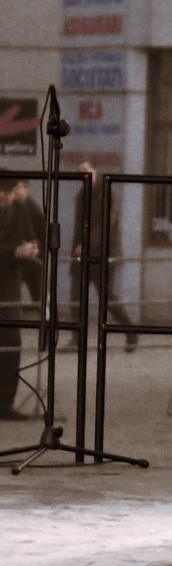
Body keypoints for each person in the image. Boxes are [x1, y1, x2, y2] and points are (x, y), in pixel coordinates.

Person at [70, 160, 137, 352]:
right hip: (82, 256)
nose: (82, 173)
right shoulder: (81, 194)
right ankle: (76, 339)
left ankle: (131, 331)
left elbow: (105, 224)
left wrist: (85, 245)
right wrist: (77, 249)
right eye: (80, 170)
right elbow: (78, 226)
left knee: (107, 298)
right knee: (76, 297)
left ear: (95, 170)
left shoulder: (108, 192)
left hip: (104, 254)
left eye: (86, 169)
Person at [0, 178, 39, 420]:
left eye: (9, 190)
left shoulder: (21, 209)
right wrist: (15, 251)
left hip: (10, 286)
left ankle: (5, 403)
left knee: (12, 345)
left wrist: (31, 249)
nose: (5, 195)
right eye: (0, 191)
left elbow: (30, 237)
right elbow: (15, 247)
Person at [10, 180, 45, 312]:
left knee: (38, 294)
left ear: (26, 189)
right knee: (12, 293)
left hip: (32, 260)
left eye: (18, 187)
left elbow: (42, 234)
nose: (16, 191)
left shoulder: (33, 209)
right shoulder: (14, 207)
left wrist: (35, 250)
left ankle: (47, 319)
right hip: (18, 259)